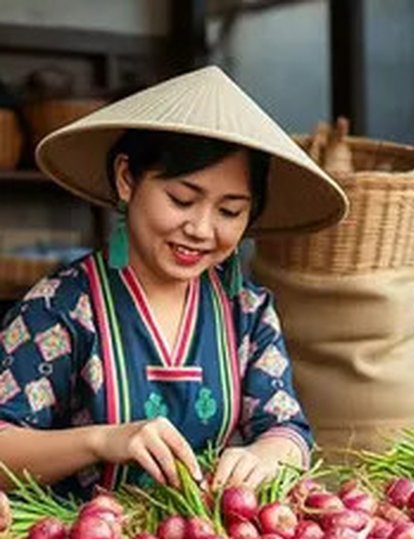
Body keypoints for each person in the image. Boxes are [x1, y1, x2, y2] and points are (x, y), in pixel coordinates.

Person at [0, 66, 347, 499]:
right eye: (182, 200)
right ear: (127, 179)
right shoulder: (60, 307)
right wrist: (103, 440)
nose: (201, 229)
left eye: (230, 211)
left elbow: (287, 430)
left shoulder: (246, 311)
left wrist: (264, 456)